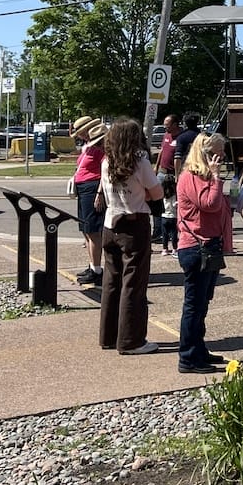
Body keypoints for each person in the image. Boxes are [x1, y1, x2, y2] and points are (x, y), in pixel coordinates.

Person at [97, 117, 164, 356]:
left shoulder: (107, 162)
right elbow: (157, 193)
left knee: (111, 282)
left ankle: (109, 335)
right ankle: (131, 340)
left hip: (110, 223)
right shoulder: (139, 162)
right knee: (133, 284)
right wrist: (145, 193)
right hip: (134, 224)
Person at [176, 132, 232, 374]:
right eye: (217, 155)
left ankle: (198, 349)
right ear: (206, 155)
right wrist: (217, 178)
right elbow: (208, 204)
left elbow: (215, 205)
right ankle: (188, 357)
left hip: (209, 247)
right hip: (196, 247)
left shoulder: (204, 177)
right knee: (193, 305)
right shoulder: (190, 177)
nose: (221, 159)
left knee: (202, 304)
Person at [72, 117, 108, 287]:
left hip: (92, 188)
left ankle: (97, 270)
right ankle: (92, 264)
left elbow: (105, 170)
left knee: (93, 230)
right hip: (83, 187)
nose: (80, 135)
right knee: (86, 229)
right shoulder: (87, 146)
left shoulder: (99, 147)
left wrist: (99, 193)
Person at [153, 113, 181, 241]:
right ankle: (158, 231)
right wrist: (156, 166)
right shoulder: (166, 135)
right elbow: (162, 151)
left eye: (168, 126)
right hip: (162, 173)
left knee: (173, 203)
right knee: (158, 201)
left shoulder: (181, 137)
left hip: (172, 174)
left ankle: (173, 231)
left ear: (175, 125)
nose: (166, 128)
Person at [173, 112, 201, 177]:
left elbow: (177, 158)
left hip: (186, 170)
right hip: (202, 169)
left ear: (185, 123)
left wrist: (177, 175)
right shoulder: (204, 136)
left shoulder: (181, 137)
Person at [160, 172, 178, 254]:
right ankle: (174, 248)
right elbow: (174, 205)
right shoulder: (174, 195)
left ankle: (165, 249)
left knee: (165, 234)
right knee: (174, 233)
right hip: (173, 216)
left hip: (164, 216)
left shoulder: (162, 194)